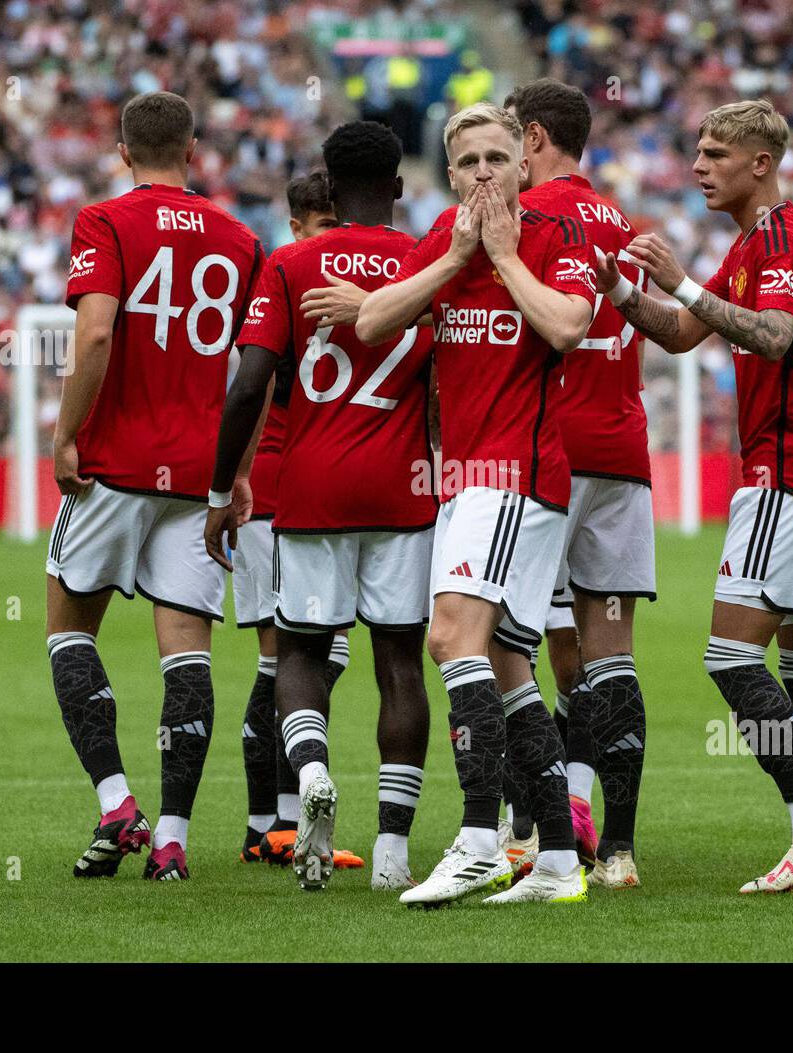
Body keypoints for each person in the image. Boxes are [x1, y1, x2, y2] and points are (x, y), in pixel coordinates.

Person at [594, 99, 793, 893]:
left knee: (730, 656)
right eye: (698, 152)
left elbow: (774, 335)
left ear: (761, 163)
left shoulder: (783, 237)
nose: (700, 166)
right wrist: (623, 293)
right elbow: (681, 332)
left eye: (715, 153)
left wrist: (678, 277)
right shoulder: (752, 243)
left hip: (790, 478)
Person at [358, 102, 596, 906]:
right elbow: (371, 317)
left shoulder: (556, 237)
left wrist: (501, 255)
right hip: (468, 480)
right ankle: (560, 862)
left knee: (450, 635)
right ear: (451, 173)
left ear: (525, 165)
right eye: (470, 163)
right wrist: (456, 256)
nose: (486, 173)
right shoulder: (445, 235)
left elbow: (567, 325)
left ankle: (477, 838)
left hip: (515, 475)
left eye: (500, 157)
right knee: (506, 667)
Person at [207, 121, 435, 892]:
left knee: (300, 652)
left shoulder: (293, 262)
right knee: (400, 660)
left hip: (312, 486)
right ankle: (394, 855)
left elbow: (248, 386)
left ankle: (308, 778)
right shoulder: (431, 266)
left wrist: (218, 490)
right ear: (399, 188)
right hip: (407, 490)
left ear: (328, 193)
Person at [48, 91, 262, 882]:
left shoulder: (104, 221)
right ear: (195, 148)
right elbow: (258, 366)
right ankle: (171, 839)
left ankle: (117, 805)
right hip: (198, 473)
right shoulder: (241, 239)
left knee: (69, 631)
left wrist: (67, 432)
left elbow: (97, 330)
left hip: (114, 464)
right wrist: (237, 471)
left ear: (122, 149)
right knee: (188, 655)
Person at [504, 78, 654, 889]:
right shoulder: (621, 224)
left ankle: (524, 831)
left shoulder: (528, 218)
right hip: (622, 452)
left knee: (503, 643)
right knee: (610, 656)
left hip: (545, 450)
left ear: (533, 138)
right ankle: (617, 848)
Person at [232, 172, 362, 873]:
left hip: (319, 492)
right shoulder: (281, 286)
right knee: (285, 656)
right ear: (295, 228)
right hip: (273, 493)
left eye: (336, 226)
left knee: (314, 654)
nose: (329, 242)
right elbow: (249, 391)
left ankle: (276, 822)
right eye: (317, 227)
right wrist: (236, 483)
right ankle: (272, 823)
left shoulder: (342, 292)